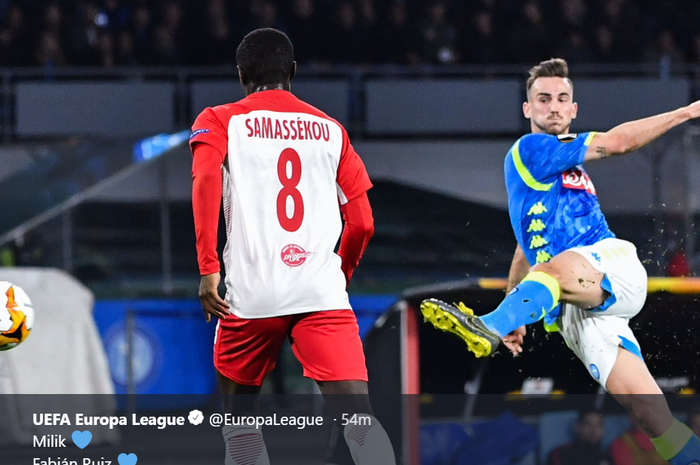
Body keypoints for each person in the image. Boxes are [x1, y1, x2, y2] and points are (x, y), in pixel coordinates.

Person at [420, 58, 700, 465]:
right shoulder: (531, 150)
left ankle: (489, 326)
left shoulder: (562, 164)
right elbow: (525, 248)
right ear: (527, 109)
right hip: (576, 308)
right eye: (543, 98)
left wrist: (687, 112)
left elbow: (617, 143)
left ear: (573, 110)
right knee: (651, 415)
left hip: (609, 265)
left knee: (553, 267)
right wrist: (520, 308)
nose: (553, 106)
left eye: (562, 99)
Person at [190, 28, 395, 465]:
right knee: (361, 423)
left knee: (241, 429)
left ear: (241, 74)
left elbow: (205, 182)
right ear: (293, 72)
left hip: (250, 294)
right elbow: (362, 222)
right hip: (319, 292)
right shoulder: (331, 130)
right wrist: (339, 274)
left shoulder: (220, 119)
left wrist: (209, 267)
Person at [546, 409, 611, 465]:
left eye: (598, 426)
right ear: (577, 427)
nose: (593, 431)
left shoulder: (606, 457)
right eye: (588, 424)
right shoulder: (562, 453)